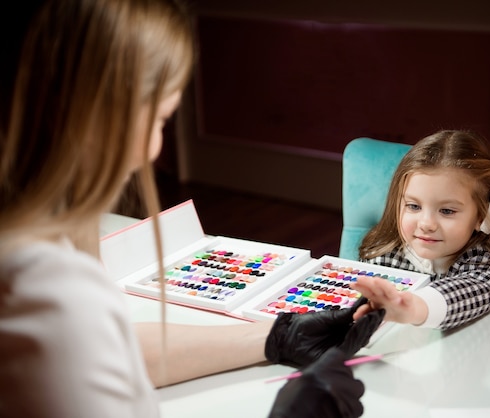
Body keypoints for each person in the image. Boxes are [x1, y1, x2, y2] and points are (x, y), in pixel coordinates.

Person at [0, 1, 384, 417]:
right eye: (161, 120)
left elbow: (99, 352)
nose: (153, 148)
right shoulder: (47, 288)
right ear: (94, 113)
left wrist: (276, 335)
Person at [350, 129, 490, 331]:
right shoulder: (382, 256)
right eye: (414, 206)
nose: (426, 224)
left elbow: (465, 293)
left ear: (482, 216)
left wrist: (413, 308)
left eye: (447, 211)